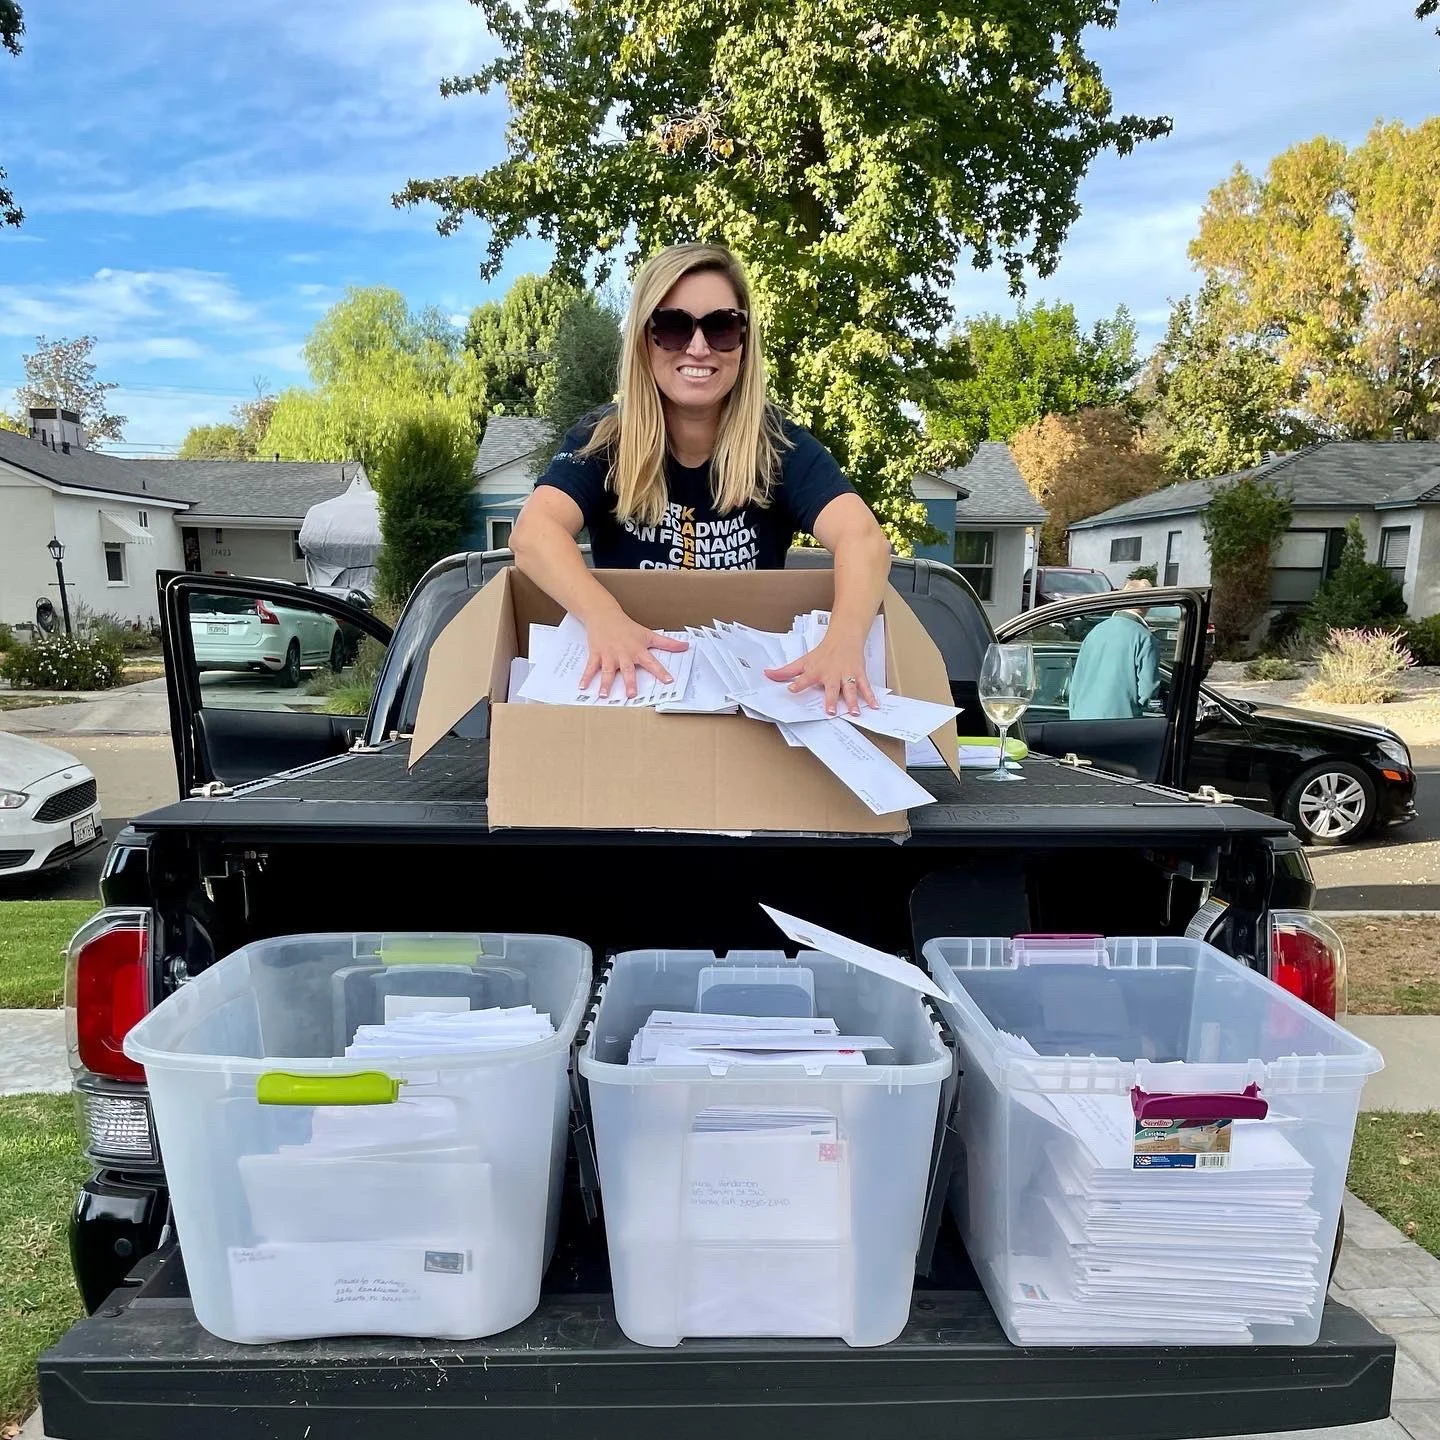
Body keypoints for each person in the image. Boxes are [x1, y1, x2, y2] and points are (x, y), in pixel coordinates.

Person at [510, 242, 893, 715]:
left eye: (721, 326)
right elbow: (533, 533)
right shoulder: (605, 439)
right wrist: (604, 620)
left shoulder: (779, 445)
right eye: (672, 327)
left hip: (752, 702)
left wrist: (844, 641)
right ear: (645, 342)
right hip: (634, 691)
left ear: (744, 340)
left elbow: (864, 539)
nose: (698, 347)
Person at [1066, 580, 1161, 720]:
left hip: (1081, 721)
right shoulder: (1145, 638)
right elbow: (1148, 690)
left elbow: (1077, 680)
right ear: (1148, 604)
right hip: (1119, 724)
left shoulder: (1095, 632)